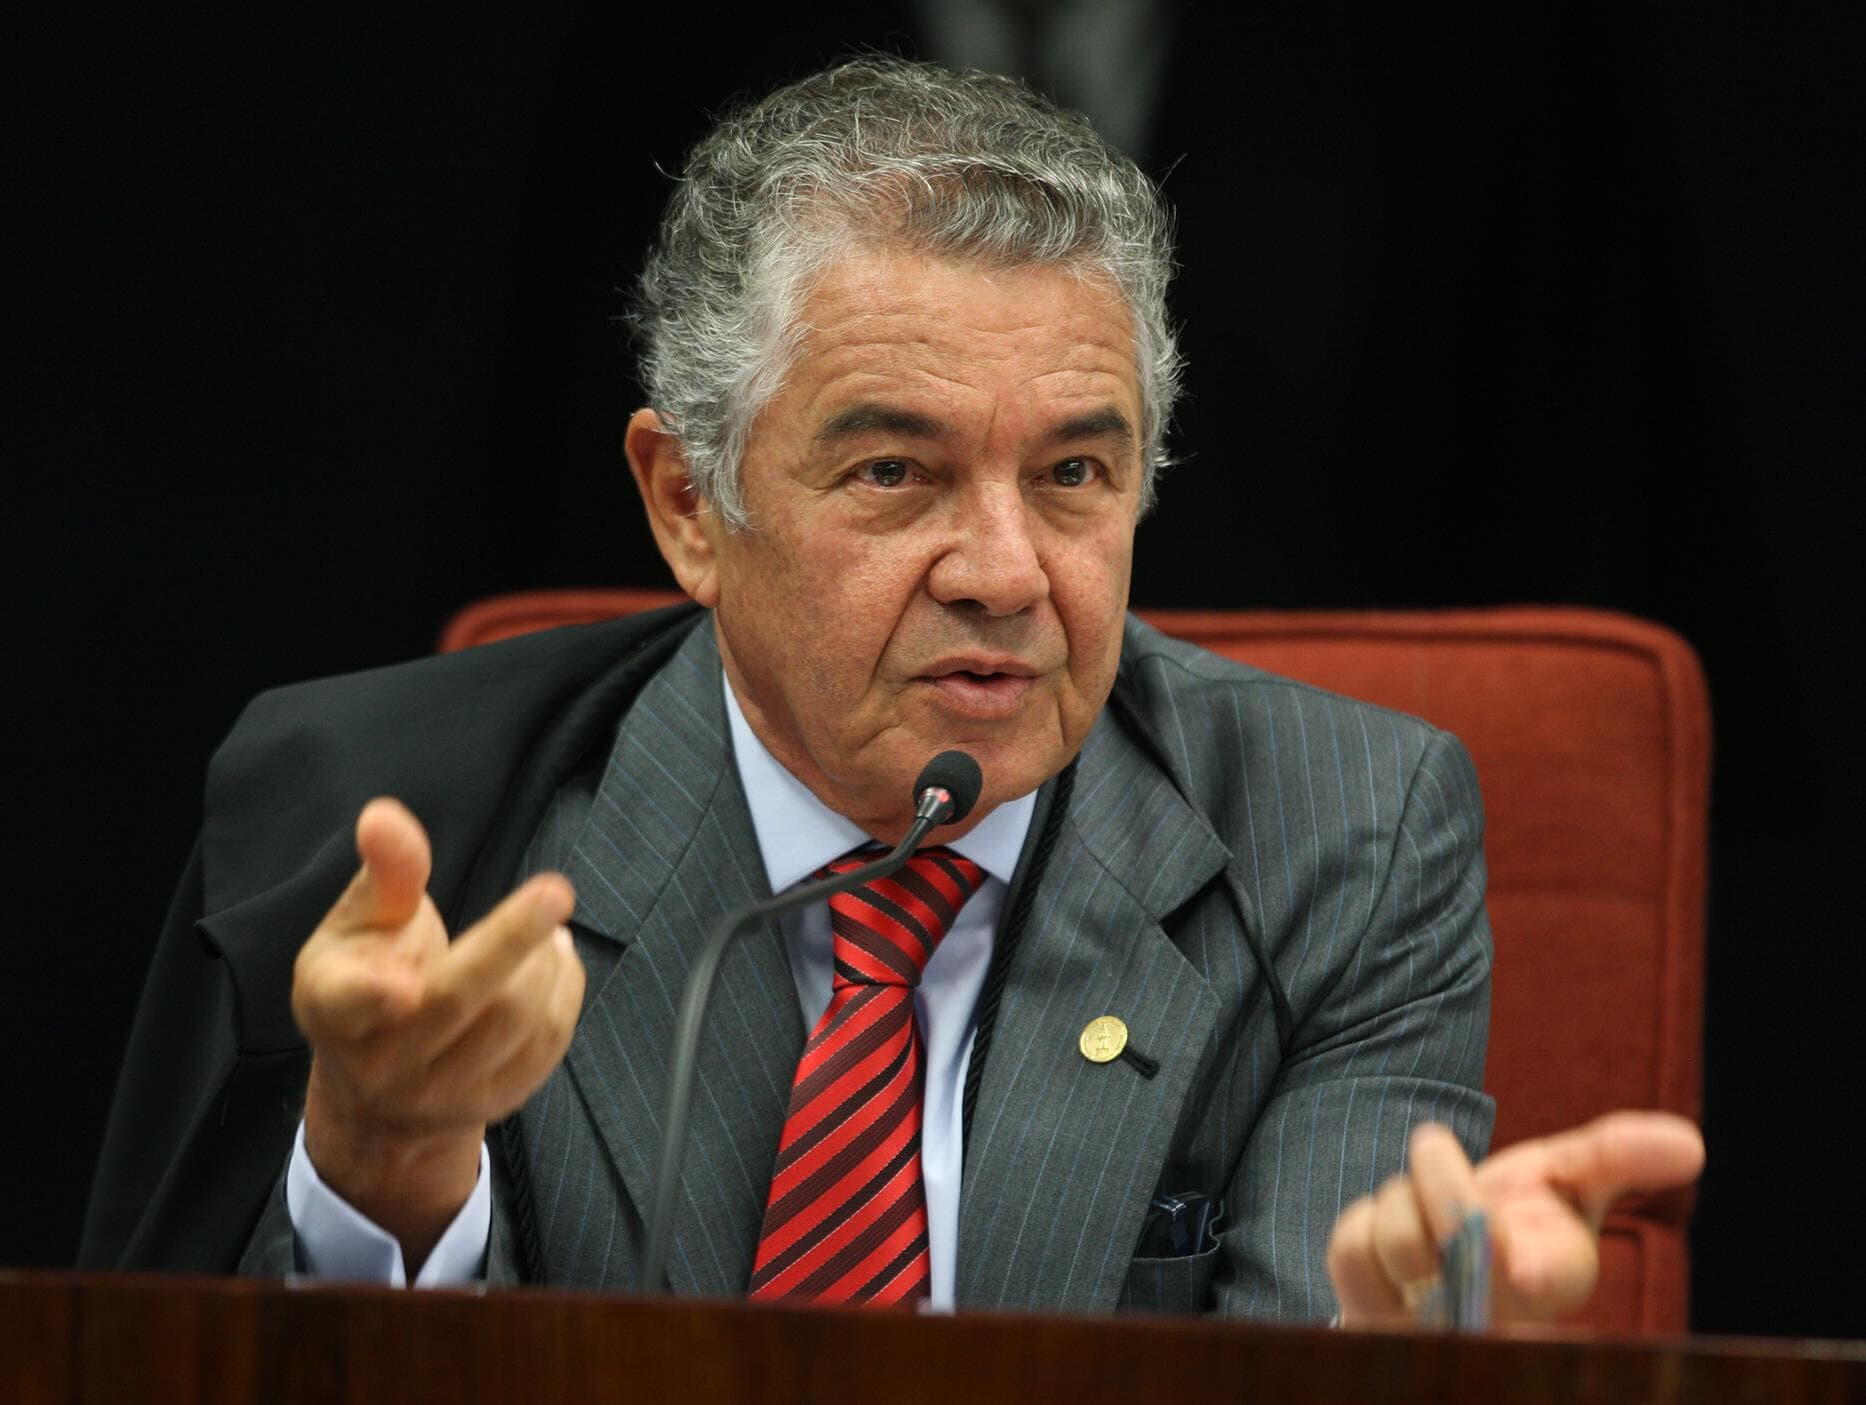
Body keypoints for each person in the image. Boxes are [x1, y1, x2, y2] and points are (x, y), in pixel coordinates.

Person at [79, 56, 1701, 1323]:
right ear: (688, 504)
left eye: (1073, 473)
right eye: (893, 473)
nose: (1003, 568)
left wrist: (1389, 1354)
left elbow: (1355, 1311)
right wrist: (389, 1166)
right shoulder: (424, 843)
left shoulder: (1340, 837)